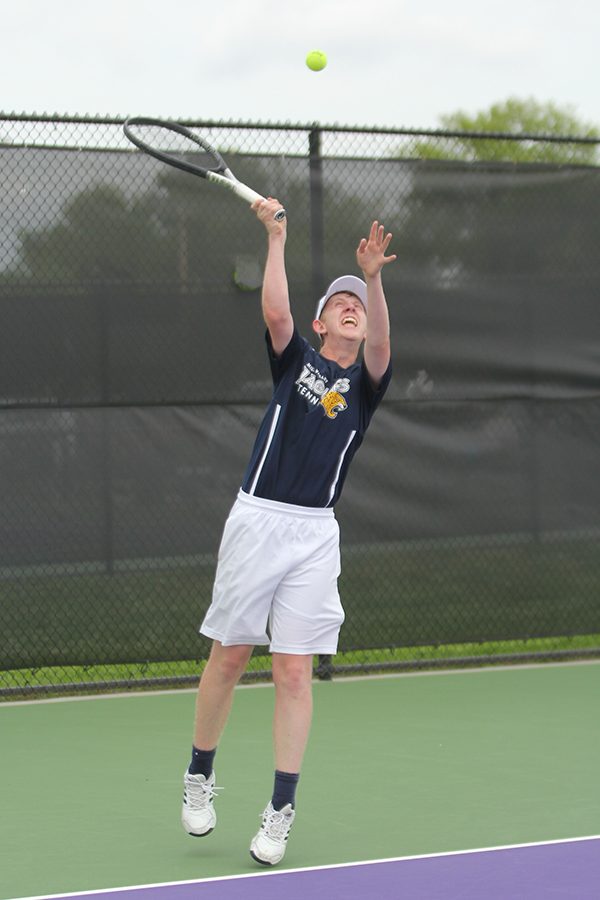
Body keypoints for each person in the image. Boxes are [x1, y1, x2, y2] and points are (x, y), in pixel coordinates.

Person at [181, 197, 396, 866]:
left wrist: (374, 277)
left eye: (358, 303)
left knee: (295, 674)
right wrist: (275, 238)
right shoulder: (295, 360)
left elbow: (385, 344)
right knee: (230, 655)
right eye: (342, 301)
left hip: (313, 536)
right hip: (258, 520)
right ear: (321, 320)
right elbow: (274, 312)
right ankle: (199, 772)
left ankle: (279, 810)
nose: (352, 306)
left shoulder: (365, 386)